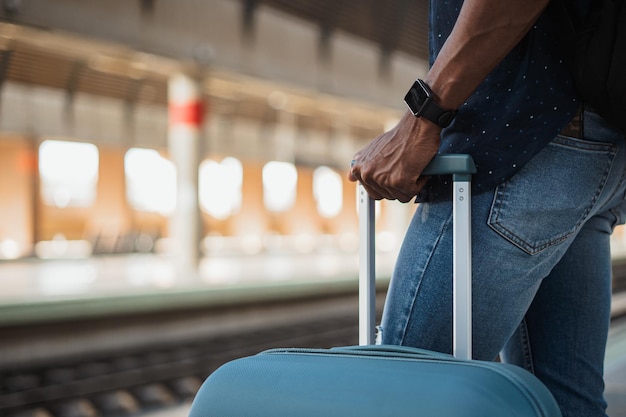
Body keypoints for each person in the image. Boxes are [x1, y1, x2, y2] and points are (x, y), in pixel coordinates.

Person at [348, 1, 626, 416]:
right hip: (593, 147)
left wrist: (423, 114)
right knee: (566, 401)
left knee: (404, 396)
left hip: (520, 146)